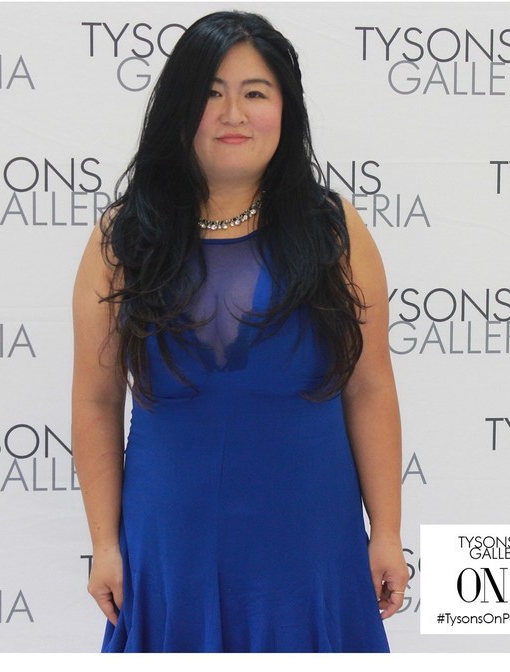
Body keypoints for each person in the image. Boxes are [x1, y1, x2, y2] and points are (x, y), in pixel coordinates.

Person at [72, 10, 407, 653]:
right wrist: (105, 544)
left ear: (286, 110)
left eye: (255, 93)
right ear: (179, 108)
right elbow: (95, 398)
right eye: (211, 92)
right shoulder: (123, 237)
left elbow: (369, 387)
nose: (233, 114)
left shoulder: (334, 230)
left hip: (311, 540)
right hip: (169, 545)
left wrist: (386, 531)